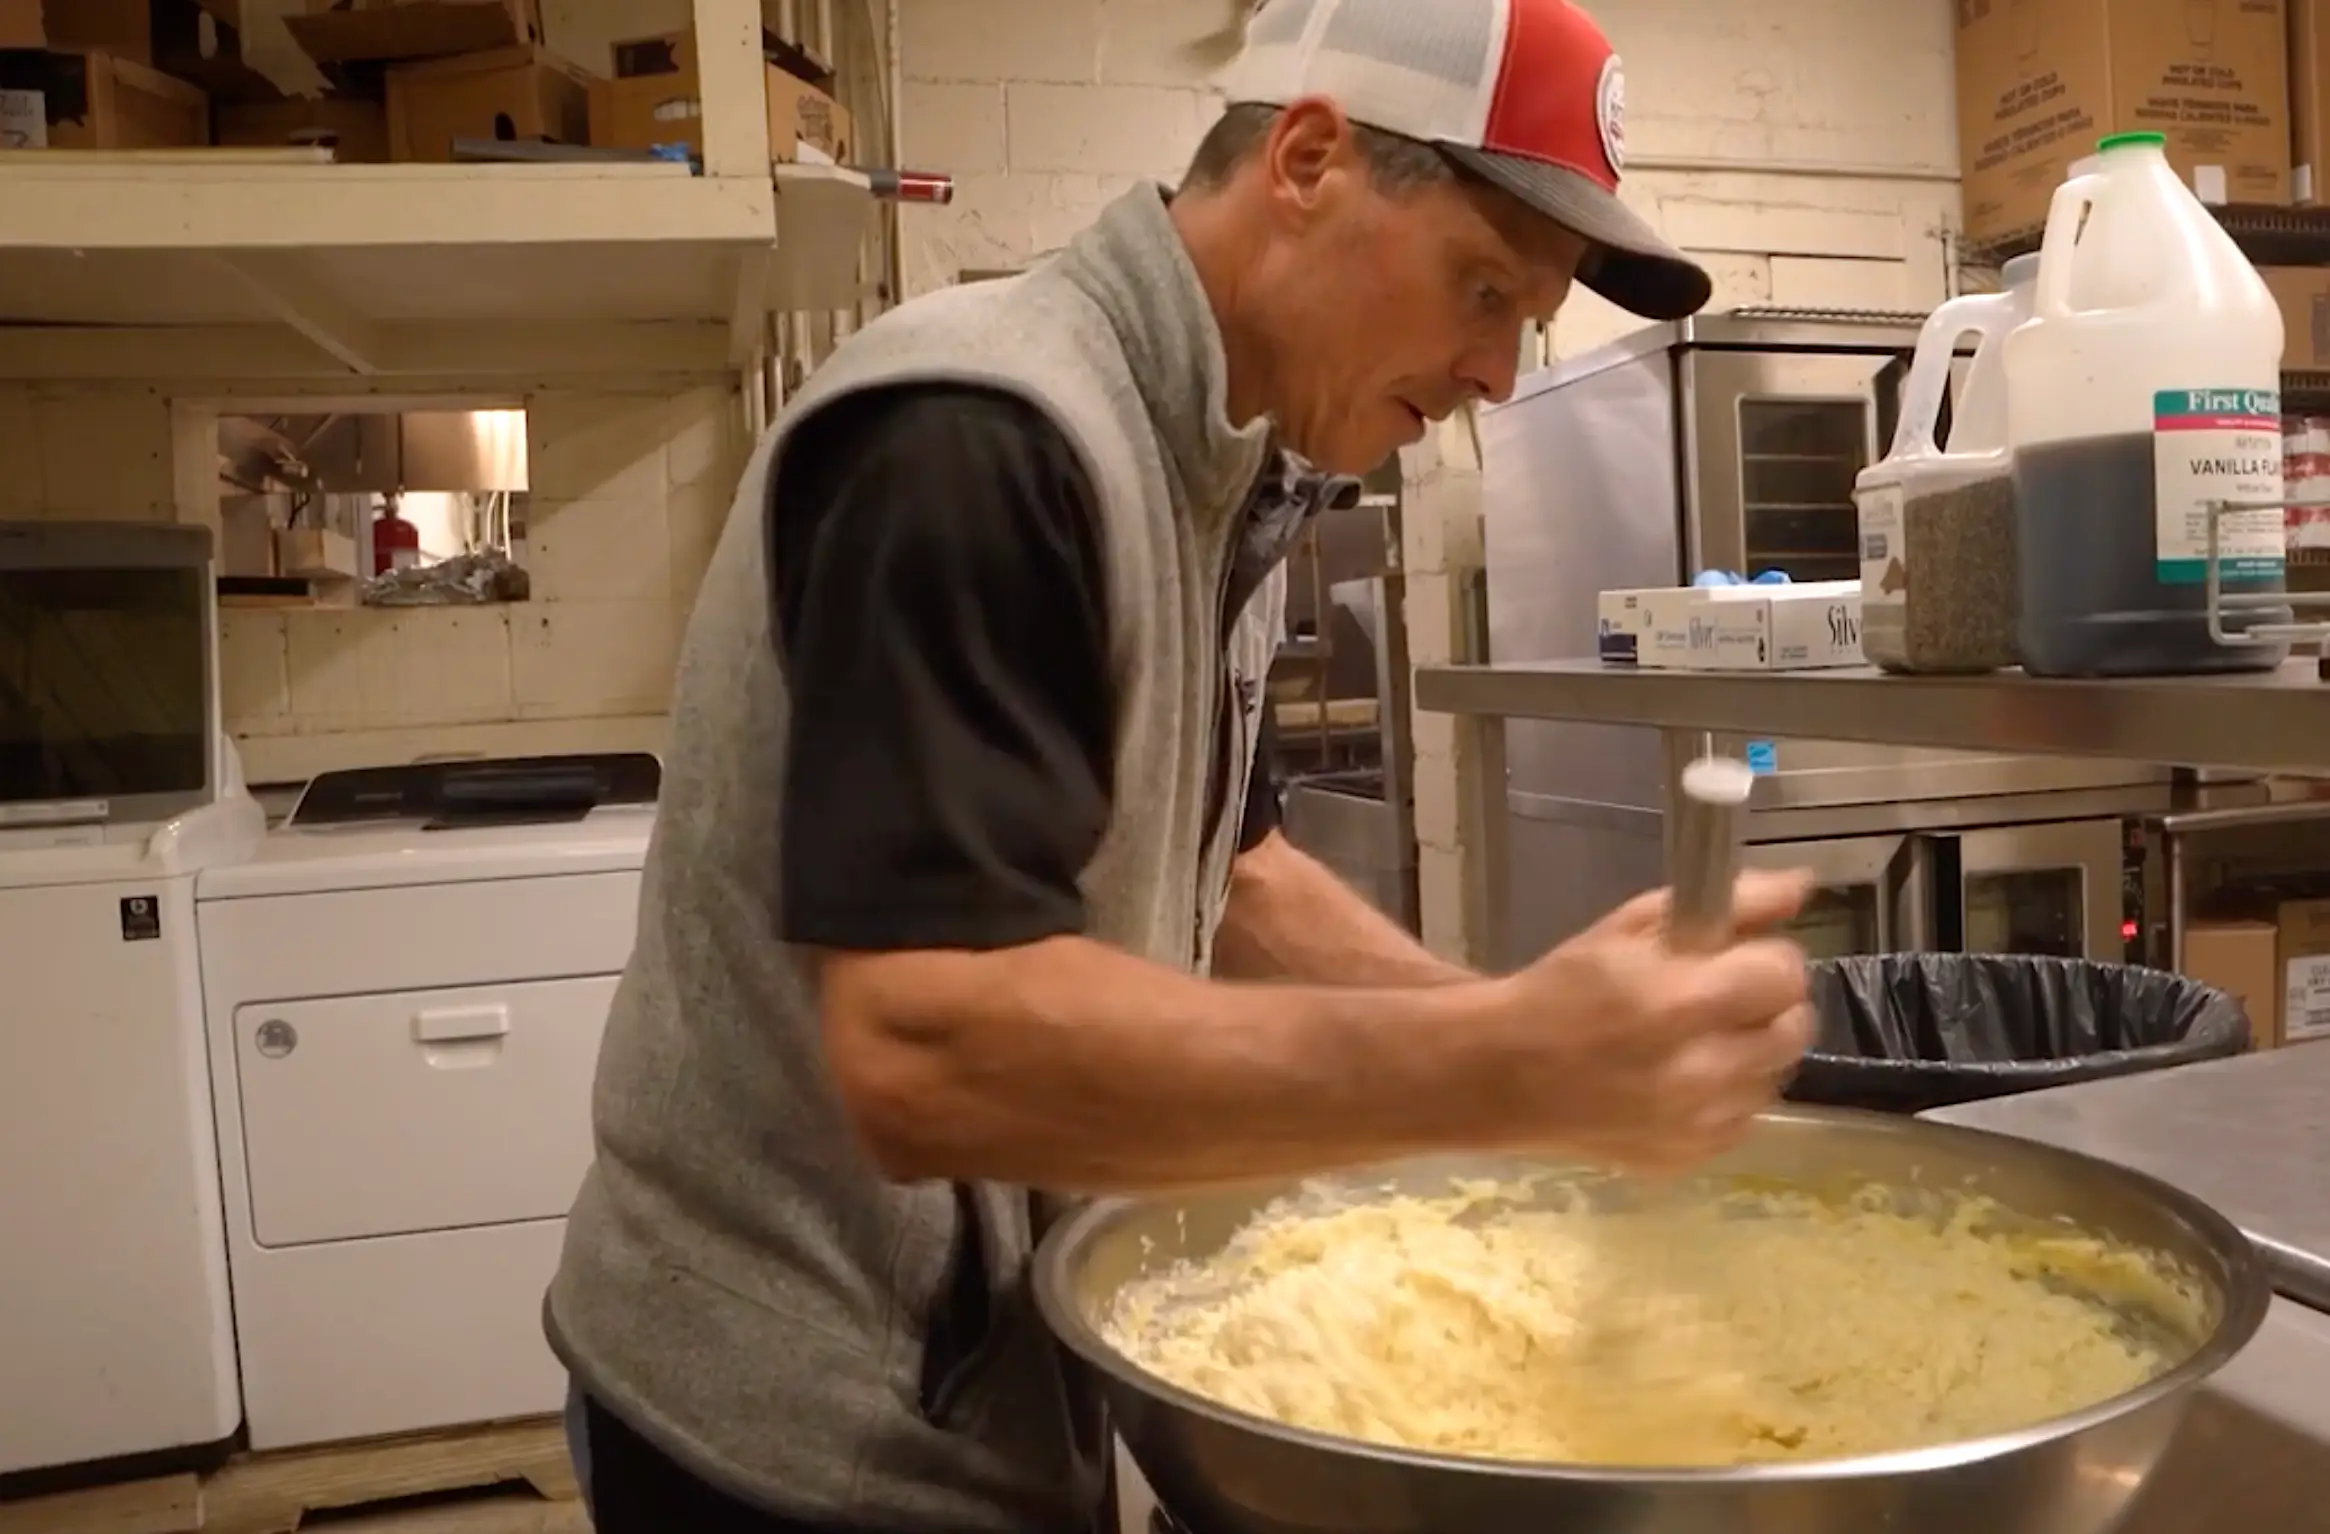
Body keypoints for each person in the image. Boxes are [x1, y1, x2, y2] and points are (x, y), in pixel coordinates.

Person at [545, 0, 1816, 1529]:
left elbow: (1241, 871)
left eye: (1526, 320)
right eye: (1481, 288)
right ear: (1305, 159)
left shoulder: (1229, 461)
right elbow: (926, 1042)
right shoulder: (978, 436)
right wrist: (1511, 1063)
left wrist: (1529, 1050)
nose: (1495, 371)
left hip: (990, 1380)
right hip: (794, 1431)